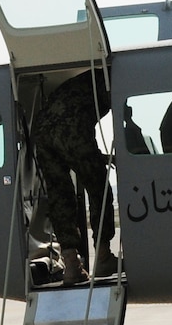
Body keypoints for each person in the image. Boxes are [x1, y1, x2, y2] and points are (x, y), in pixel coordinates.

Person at [29, 68, 114, 282]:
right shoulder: (116, 76)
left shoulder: (92, 77)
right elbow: (122, 116)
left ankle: (72, 265)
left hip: (44, 128)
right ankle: (103, 256)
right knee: (99, 188)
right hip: (71, 124)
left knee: (60, 195)